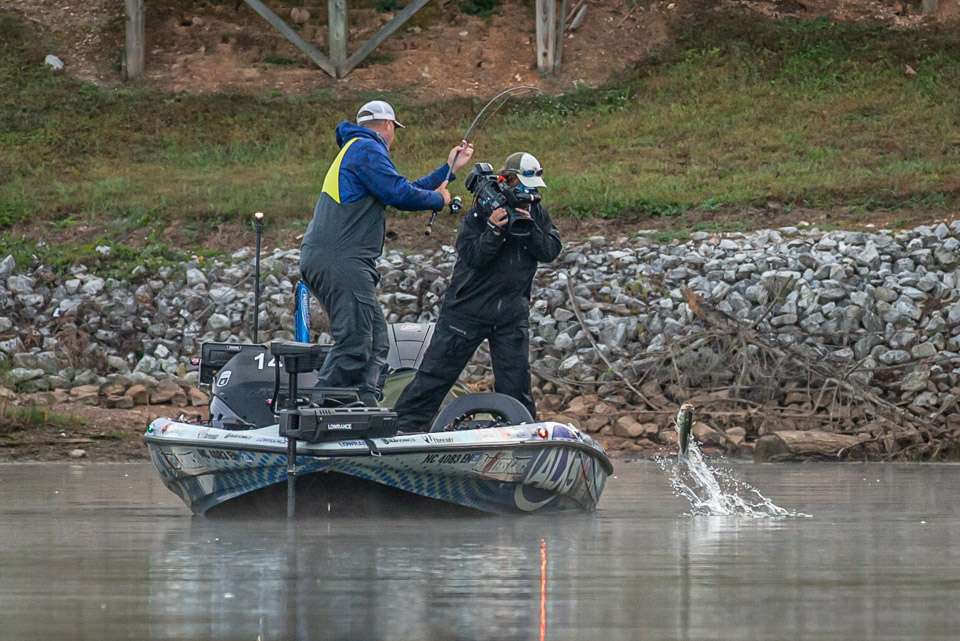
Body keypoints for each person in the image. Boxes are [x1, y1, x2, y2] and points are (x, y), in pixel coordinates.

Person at [300, 100, 474, 405]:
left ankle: (363, 408)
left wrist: (449, 169)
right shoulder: (366, 149)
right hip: (342, 260)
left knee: (376, 342)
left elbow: (400, 187)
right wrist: (439, 200)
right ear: (388, 125)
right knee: (356, 342)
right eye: (395, 129)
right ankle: (318, 410)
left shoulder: (357, 149)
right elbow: (400, 194)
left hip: (337, 260)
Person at [393, 152, 562, 431]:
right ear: (508, 180)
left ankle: (521, 432)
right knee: (435, 377)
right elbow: (472, 256)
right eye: (524, 188)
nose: (529, 196)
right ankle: (403, 428)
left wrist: (530, 228)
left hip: (511, 313)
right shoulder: (481, 211)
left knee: (516, 384)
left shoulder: (535, 211)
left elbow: (550, 250)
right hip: (466, 311)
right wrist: (493, 231)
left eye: (533, 189)